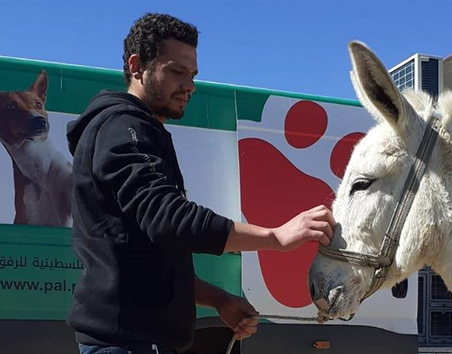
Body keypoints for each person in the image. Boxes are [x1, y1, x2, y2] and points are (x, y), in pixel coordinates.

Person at [65, 13, 335, 354]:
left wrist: (218, 299)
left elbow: (149, 262)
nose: (189, 85)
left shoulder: (140, 129)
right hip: (127, 343)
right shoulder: (122, 128)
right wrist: (276, 237)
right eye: (176, 72)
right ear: (137, 67)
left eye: (192, 75)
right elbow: (170, 219)